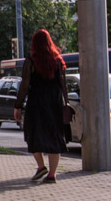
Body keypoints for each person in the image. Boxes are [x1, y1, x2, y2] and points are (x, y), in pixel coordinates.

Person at [13, 29, 69, 183]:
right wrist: (66, 102)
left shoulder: (31, 61)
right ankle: (52, 174)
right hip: (55, 101)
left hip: (37, 101)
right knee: (54, 136)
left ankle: (41, 166)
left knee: (32, 133)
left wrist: (18, 106)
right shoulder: (58, 61)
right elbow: (63, 84)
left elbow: (25, 85)